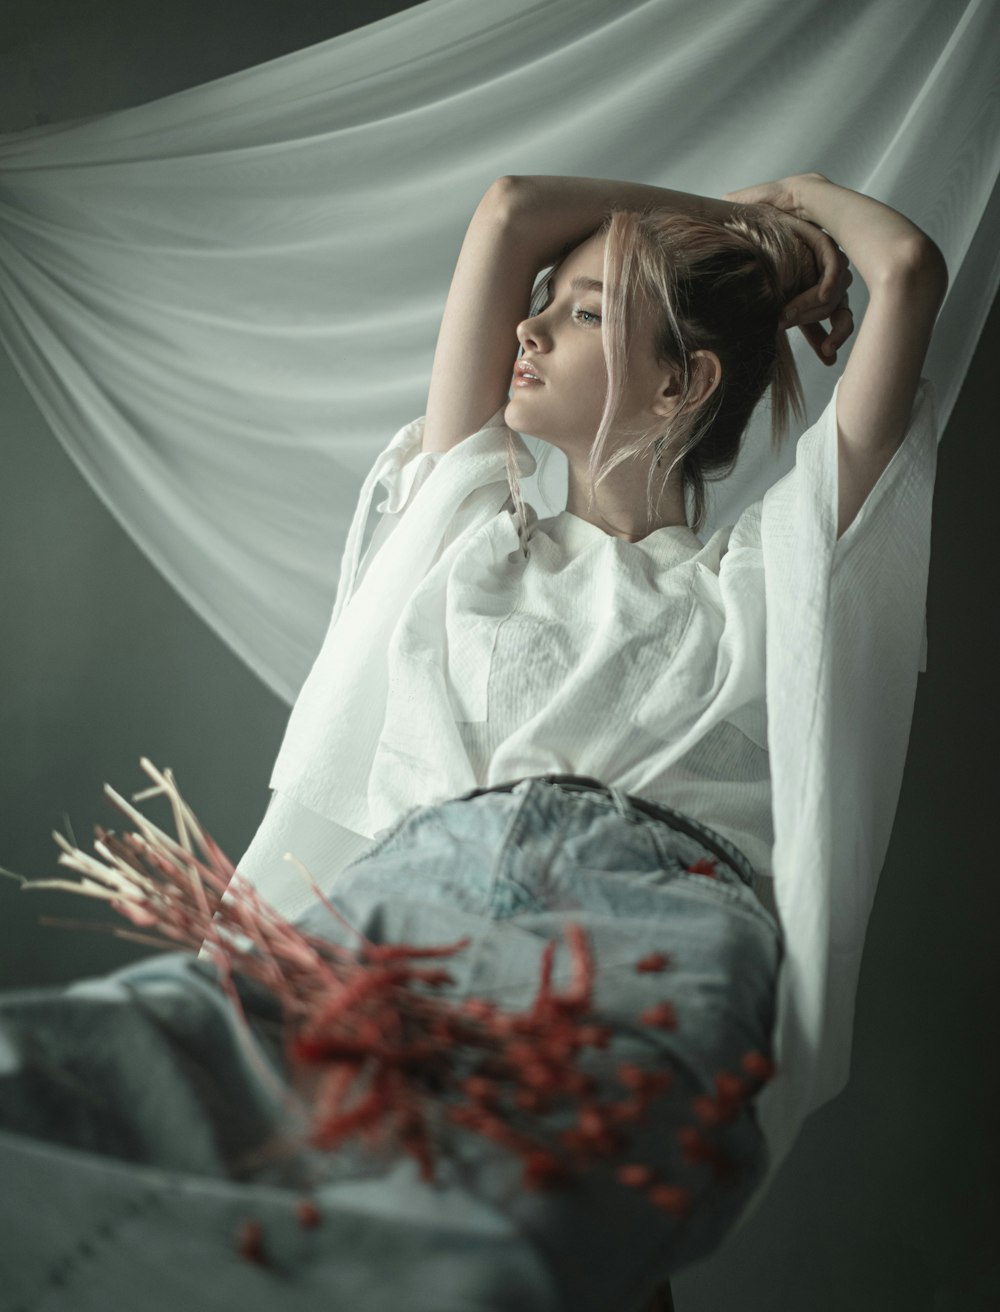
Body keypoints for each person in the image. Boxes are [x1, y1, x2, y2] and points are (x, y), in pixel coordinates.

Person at [0, 173, 945, 1311]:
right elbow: (506, 213)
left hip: (654, 919)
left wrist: (787, 219)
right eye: (545, 302)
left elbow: (902, 270)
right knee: (125, 1065)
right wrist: (739, 234)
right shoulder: (466, 525)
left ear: (682, 381)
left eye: (586, 310)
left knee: (518, 1221)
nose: (529, 327)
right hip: (423, 894)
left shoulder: (769, 580)